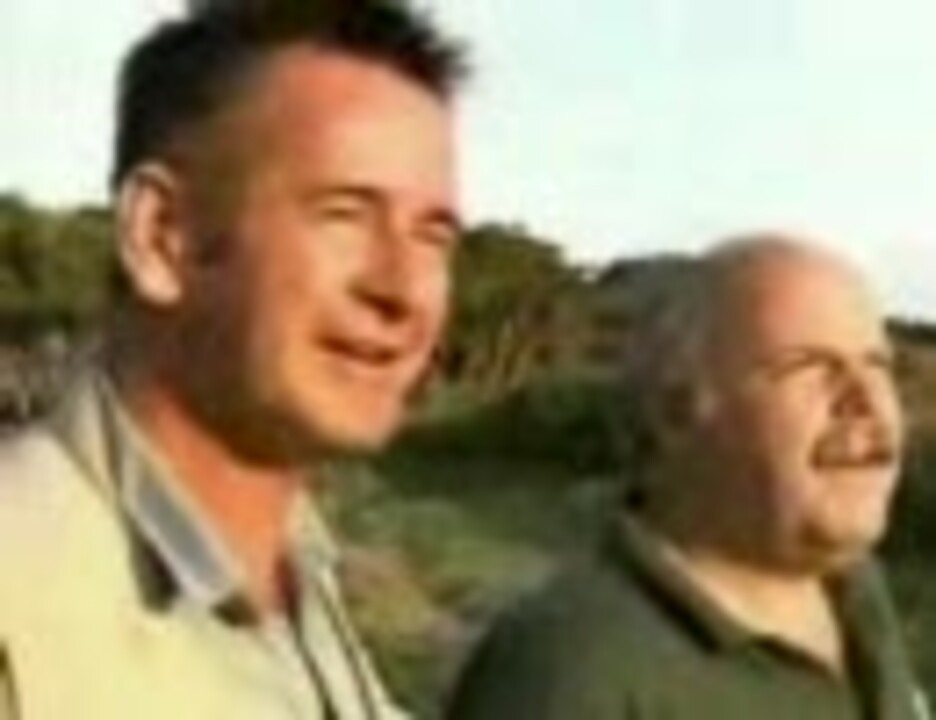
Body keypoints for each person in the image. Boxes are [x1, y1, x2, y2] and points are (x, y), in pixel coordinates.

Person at [0, 1, 465, 718]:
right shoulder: (25, 597)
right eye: (344, 213)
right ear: (162, 235)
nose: (402, 289)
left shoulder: (299, 577)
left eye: (433, 236)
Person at [445, 236, 927, 720]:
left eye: (878, 365)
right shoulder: (563, 672)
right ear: (677, 412)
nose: (865, 399)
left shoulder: (858, 596)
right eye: (806, 366)